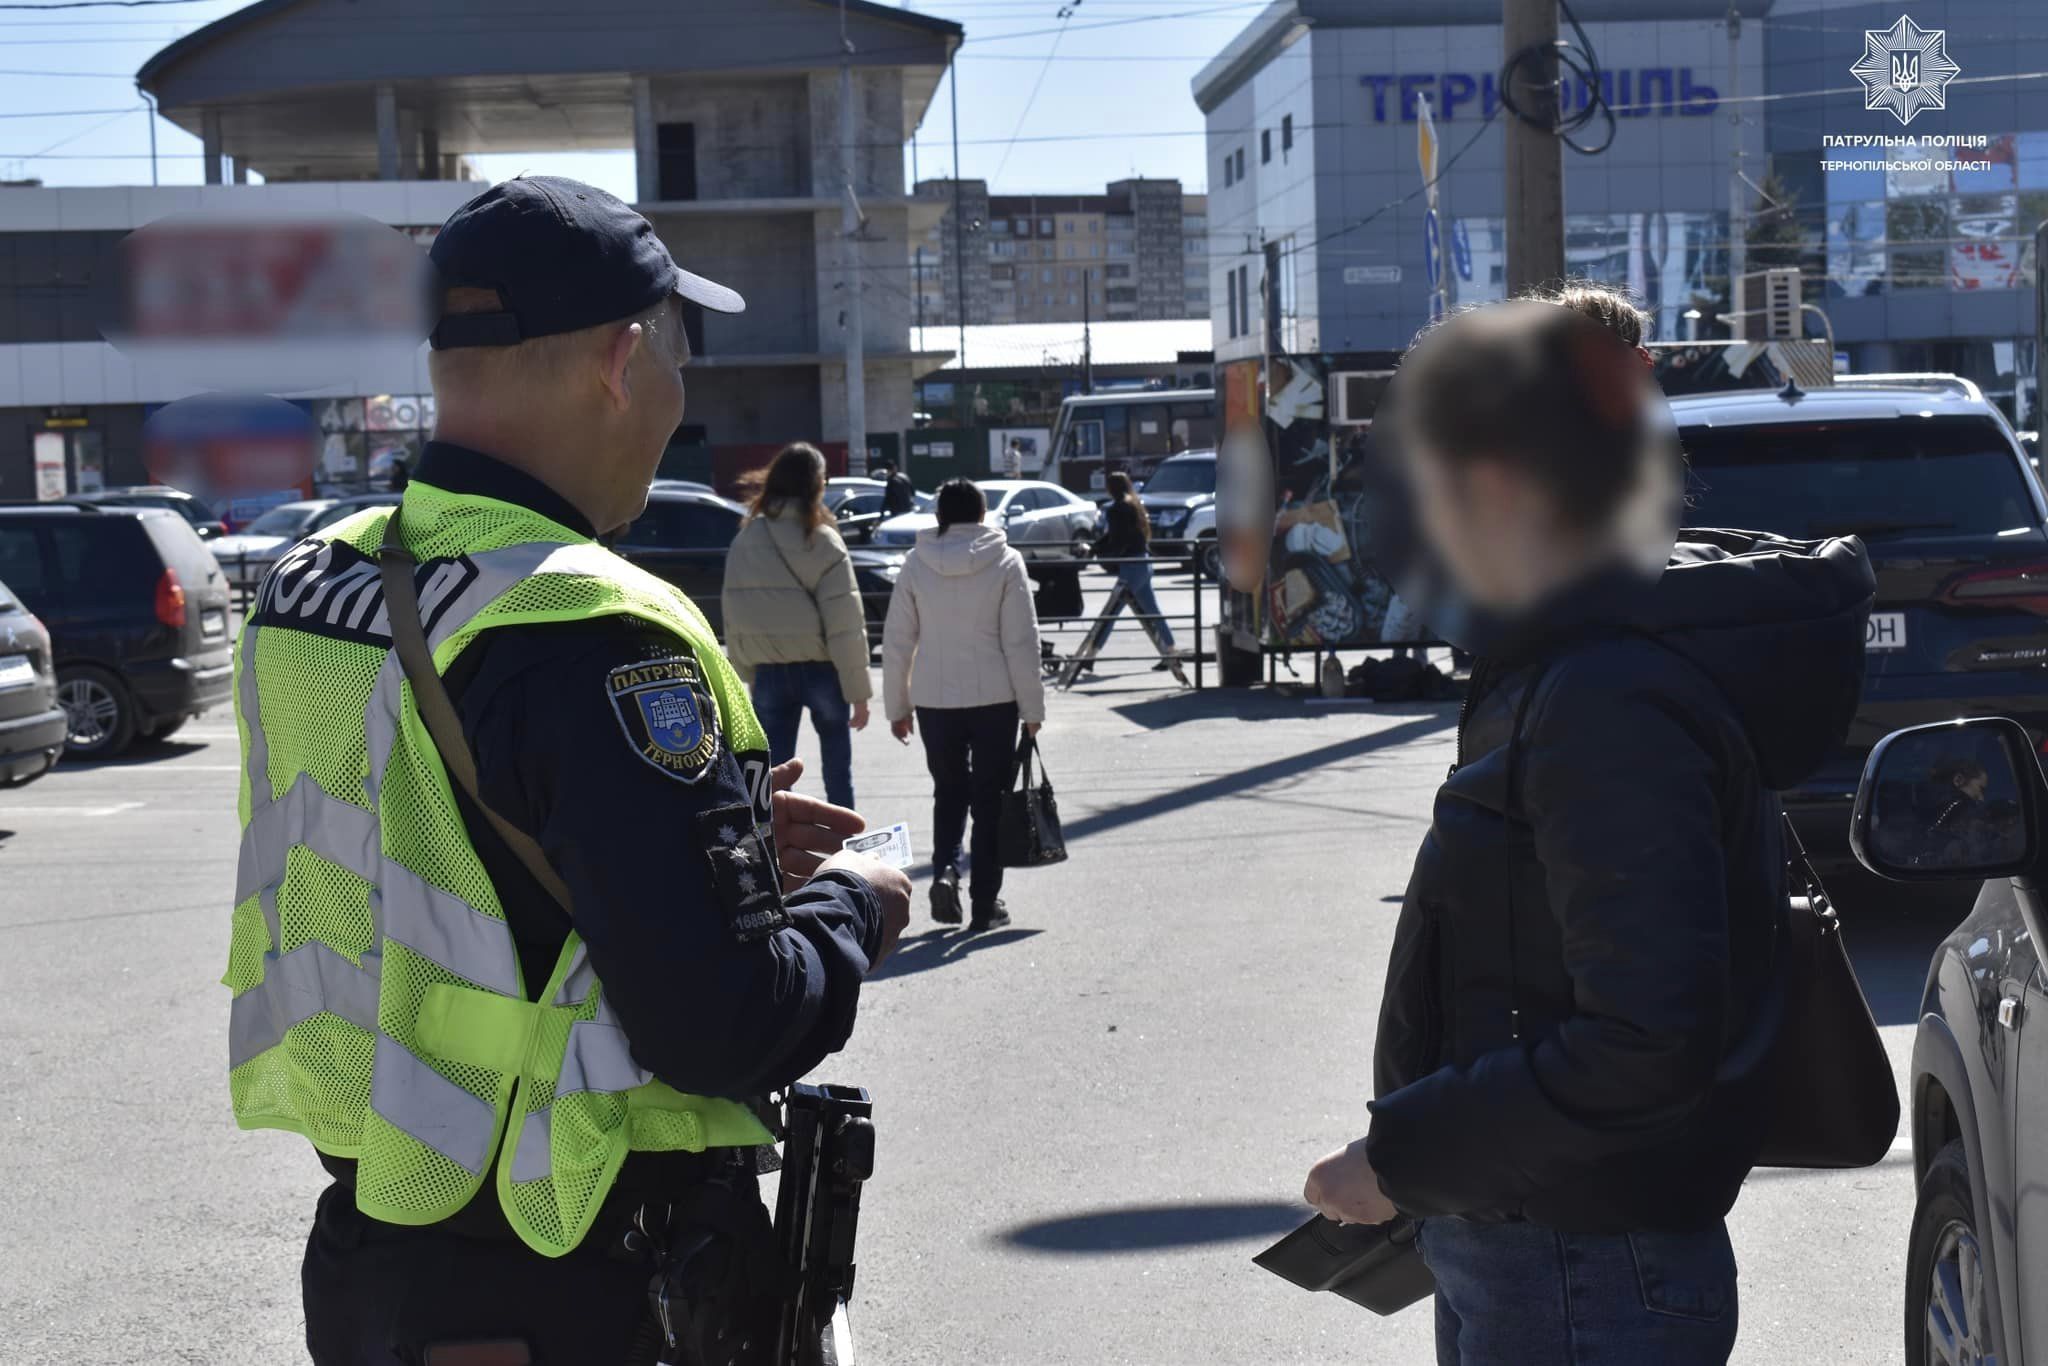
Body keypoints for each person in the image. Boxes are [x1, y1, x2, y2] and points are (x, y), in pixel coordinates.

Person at [225, 176, 912, 1365]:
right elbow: (719, 1024)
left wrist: (706, 842)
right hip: (579, 1273)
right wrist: (856, 905)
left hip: (376, 1256)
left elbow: (436, 858)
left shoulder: (312, 582)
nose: (675, 397)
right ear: (621, 358)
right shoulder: (591, 624)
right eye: (677, 357)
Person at [1299, 300, 1873, 1365]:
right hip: (1538, 1247)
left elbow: (1641, 1043)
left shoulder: (1605, 694)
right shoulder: (1565, 662)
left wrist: (1401, 1158)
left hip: (1580, 1269)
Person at [882, 478, 1046, 931]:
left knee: (948, 793)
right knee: (989, 800)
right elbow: (1022, 642)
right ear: (982, 513)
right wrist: (1033, 711)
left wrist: (898, 706)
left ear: (940, 516)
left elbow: (897, 640)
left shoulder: (917, 563)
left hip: (935, 701)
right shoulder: (1006, 561)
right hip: (996, 699)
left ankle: (946, 872)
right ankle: (984, 904)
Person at [722, 441, 874, 808]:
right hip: (824, 671)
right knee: (838, 773)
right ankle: (845, 848)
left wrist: (748, 669)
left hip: (770, 672)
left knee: (771, 779)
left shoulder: (746, 538)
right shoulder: (823, 540)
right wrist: (860, 692)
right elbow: (845, 623)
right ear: (817, 484)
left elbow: (735, 612)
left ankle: (771, 853)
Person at [1093, 470, 1185, 678]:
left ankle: (1090, 654)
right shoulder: (1134, 504)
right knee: (1151, 610)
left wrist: (1099, 552)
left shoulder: (1116, 509)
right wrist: (1097, 547)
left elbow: (1115, 538)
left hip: (1131, 565)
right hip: (1142, 561)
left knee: (1112, 611)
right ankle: (1171, 651)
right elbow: (1120, 535)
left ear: (1111, 488)